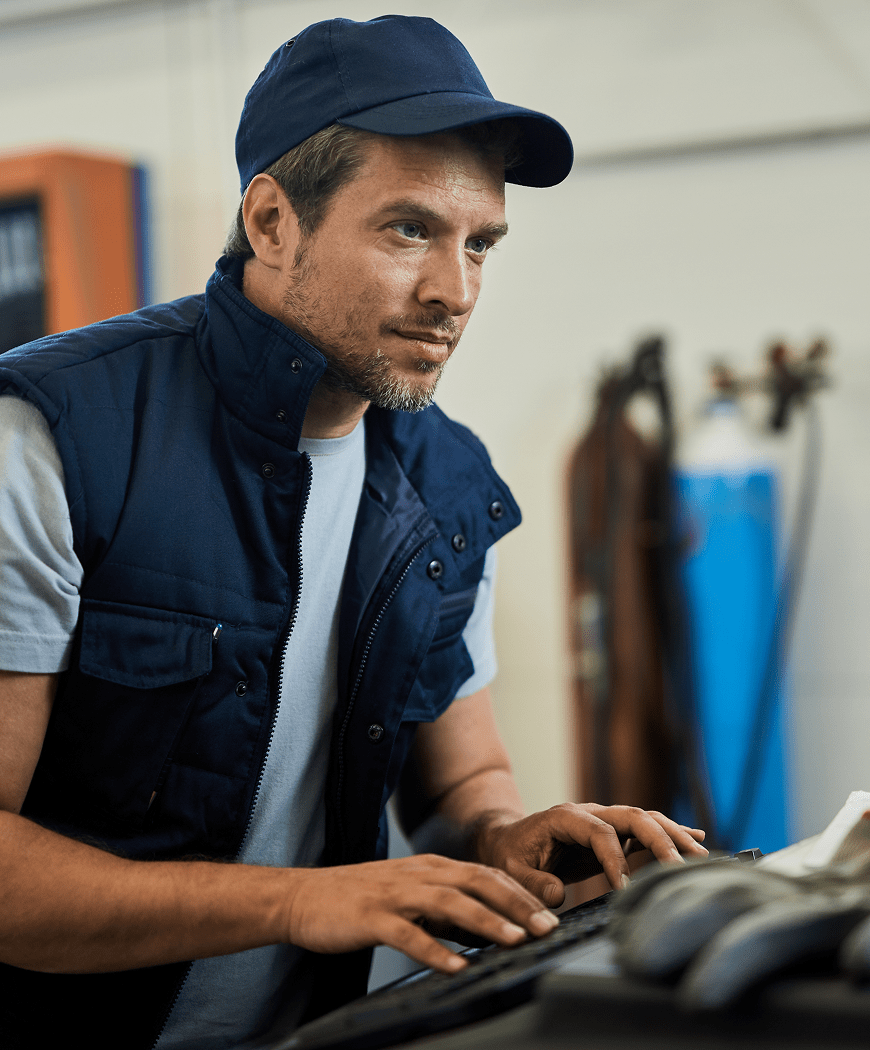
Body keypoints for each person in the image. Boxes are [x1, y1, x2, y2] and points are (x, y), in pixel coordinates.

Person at [0, 14, 708, 1050]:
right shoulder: (55, 441)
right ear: (273, 221)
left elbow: (464, 782)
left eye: (481, 245)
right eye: (409, 229)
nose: (454, 293)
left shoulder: (448, 480)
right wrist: (300, 901)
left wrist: (510, 840)